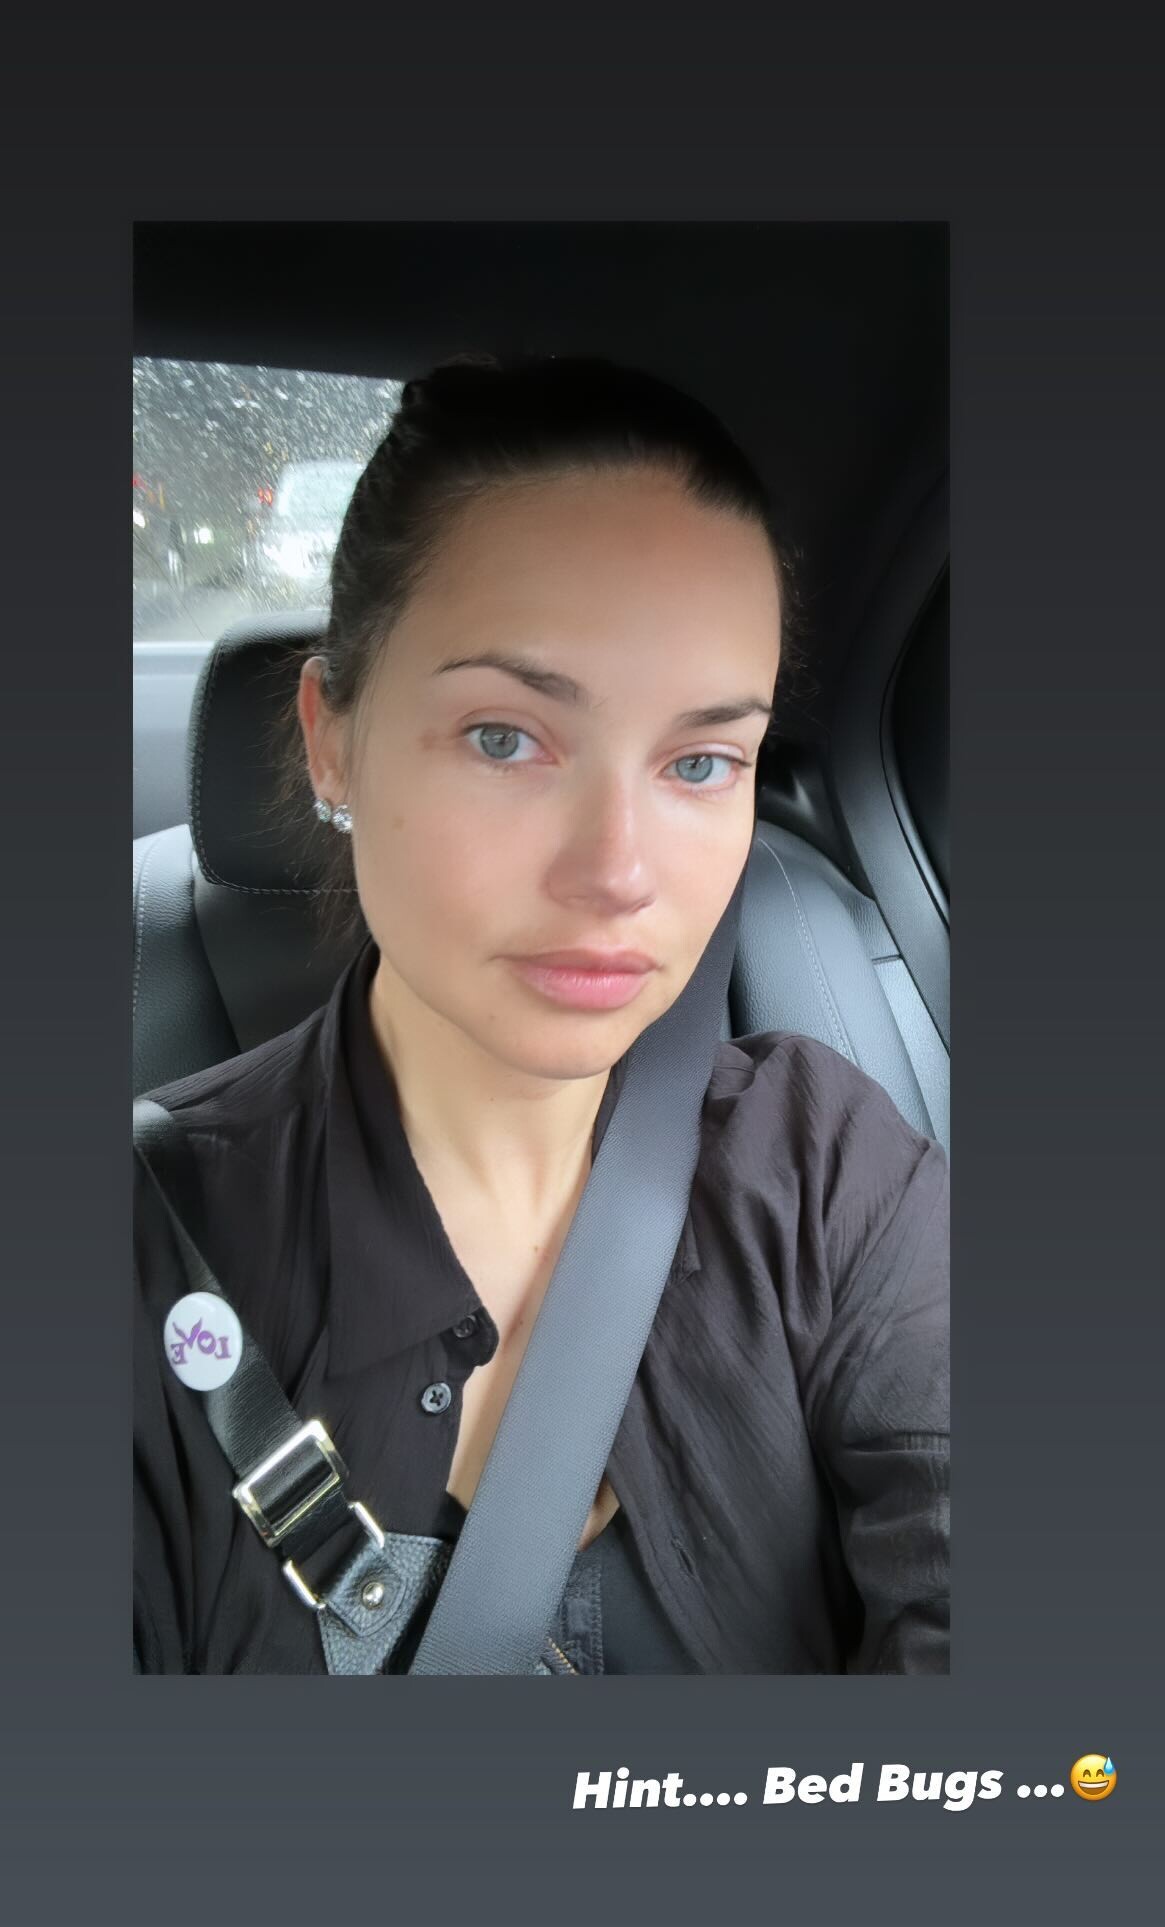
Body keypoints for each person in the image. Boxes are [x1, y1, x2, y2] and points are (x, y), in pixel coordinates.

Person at [134, 352, 949, 1675]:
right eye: (505, 738)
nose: (618, 872)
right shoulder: (139, 1252)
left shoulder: (827, 1169)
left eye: (701, 761)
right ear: (332, 736)